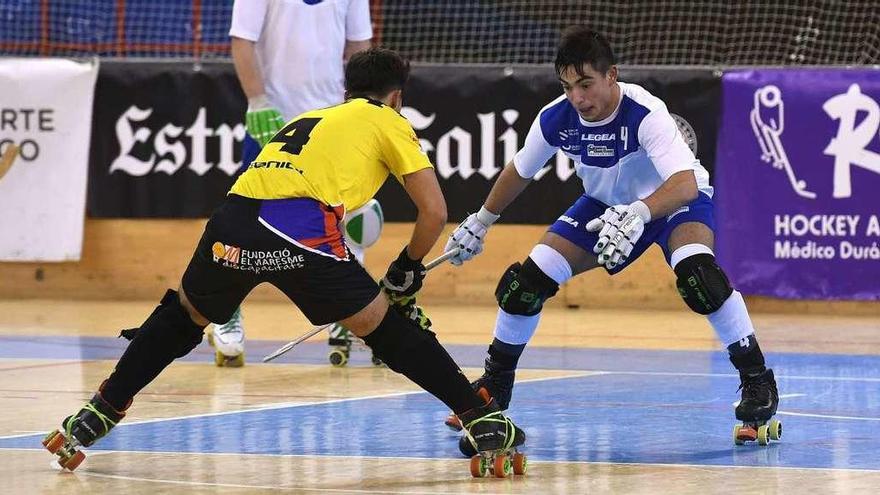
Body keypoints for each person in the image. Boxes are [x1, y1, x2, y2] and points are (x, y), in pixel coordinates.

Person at [43, 48, 525, 472]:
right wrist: (407, 269)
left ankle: (96, 412)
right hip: (294, 224)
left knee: (182, 317)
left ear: (347, 89)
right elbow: (434, 211)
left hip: (232, 216)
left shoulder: (310, 118)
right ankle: (480, 418)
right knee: (386, 325)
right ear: (397, 96)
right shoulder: (388, 120)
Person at [443, 27, 780, 447]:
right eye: (567, 87)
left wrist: (639, 212)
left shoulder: (645, 111)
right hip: (603, 206)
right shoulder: (557, 117)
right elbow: (520, 170)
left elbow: (684, 184)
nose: (578, 98)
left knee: (699, 278)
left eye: (586, 84)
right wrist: (481, 220)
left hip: (672, 203)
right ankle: (495, 385)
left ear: (611, 76)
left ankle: (757, 379)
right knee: (523, 285)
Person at [215, 0, 375, 366]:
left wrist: (362, 107)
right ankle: (226, 311)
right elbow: (243, 41)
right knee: (243, 218)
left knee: (347, 214)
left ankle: (345, 313)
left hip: (332, 118)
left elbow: (360, 47)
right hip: (274, 118)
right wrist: (257, 101)